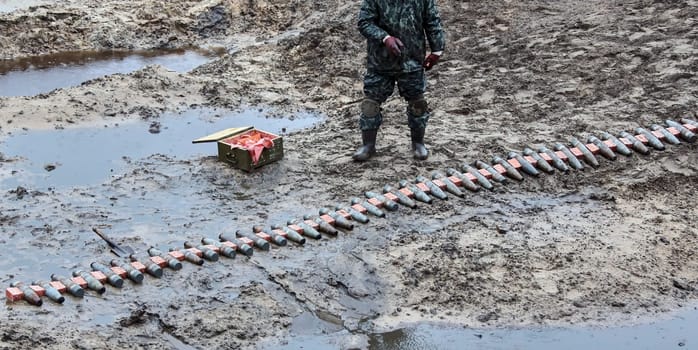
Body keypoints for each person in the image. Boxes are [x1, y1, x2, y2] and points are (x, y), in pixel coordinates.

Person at [352, 0, 445, 161]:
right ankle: (368, 146)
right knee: (370, 105)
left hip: (412, 60)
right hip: (380, 62)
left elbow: (432, 20)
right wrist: (385, 38)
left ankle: (418, 143)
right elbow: (364, 22)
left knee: (417, 103)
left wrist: (437, 50)